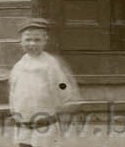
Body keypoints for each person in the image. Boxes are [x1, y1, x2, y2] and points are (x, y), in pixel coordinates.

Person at [9, 18, 79, 147]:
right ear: (21, 41)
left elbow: (61, 83)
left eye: (37, 40)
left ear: (45, 41)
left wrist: (63, 98)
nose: (32, 44)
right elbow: (13, 89)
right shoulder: (19, 65)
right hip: (23, 117)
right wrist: (14, 108)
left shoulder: (49, 63)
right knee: (24, 143)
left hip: (44, 117)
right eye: (28, 40)